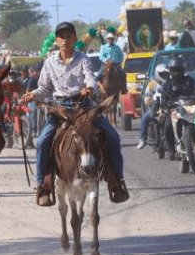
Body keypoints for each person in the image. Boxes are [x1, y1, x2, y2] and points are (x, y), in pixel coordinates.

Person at [18, 21, 129, 207]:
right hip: (60, 109)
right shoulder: (50, 62)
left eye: (69, 36)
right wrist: (31, 95)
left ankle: (116, 181)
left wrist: (89, 88)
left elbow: (90, 78)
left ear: (75, 39)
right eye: (61, 37)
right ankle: (43, 185)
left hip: (84, 107)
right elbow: (44, 88)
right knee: (44, 140)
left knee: (112, 136)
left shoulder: (83, 59)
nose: (65, 40)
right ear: (57, 40)